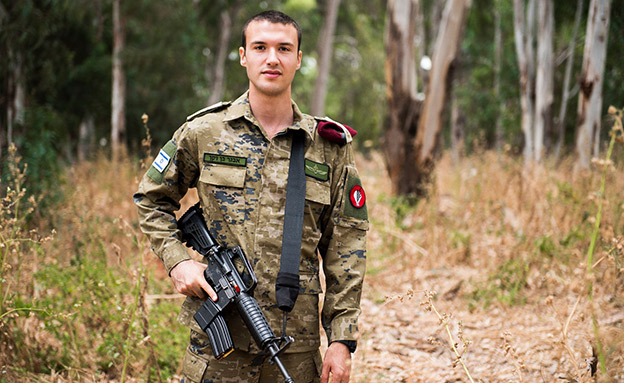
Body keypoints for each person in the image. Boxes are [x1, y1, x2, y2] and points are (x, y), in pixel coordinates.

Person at [134, 10, 368, 383]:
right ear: (243, 56)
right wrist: (179, 261)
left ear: (298, 60)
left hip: (295, 350)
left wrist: (341, 341)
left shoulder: (328, 148)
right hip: (218, 348)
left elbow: (346, 248)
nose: (271, 58)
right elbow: (151, 198)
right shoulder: (204, 132)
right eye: (260, 47)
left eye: (283, 49)